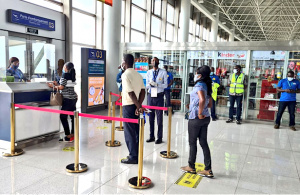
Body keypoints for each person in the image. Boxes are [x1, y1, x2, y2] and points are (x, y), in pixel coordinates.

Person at [181, 65, 214, 178]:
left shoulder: (199, 85)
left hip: (196, 118)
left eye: (196, 73)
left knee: (192, 142)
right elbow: (209, 103)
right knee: (203, 143)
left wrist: (199, 112)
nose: (195, 75)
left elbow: (202, 99)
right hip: (206, 118)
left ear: (200, 75)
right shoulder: (207, 86)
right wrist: (196, 106)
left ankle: (191, 166)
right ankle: (208, 169)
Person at [121, 54, 146, 164]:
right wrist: (139, 105)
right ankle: (137, 154)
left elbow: (130, 93)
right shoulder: (138, 75)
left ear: (124, 62)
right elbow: (143, 91)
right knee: (136, 131)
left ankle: (133, 157)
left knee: (129, 132)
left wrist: (138, 106)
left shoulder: (125, 75)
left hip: (128, 106)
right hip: (136, 105)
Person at [48, 62, 77, 142]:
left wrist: (53, 86)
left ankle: (68, 135)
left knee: (63, 117)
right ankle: (73, 134)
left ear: (66, 68)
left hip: (67, 99)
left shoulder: (64, 75)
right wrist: (57, 84)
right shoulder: (72, 76)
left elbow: (61, 87)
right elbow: (65, 86)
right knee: (72, 117)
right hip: (73, 98)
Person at [146, 57, 168, 144]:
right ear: (151, 63)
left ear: (158, 62)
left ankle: (159, 137)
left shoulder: (163, 72)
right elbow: (146, 84)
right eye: (152, 60)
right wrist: (150, 85)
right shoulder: (148, 72)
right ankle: (151, 136)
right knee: (151, 117)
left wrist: (157, 85)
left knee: (159, 118)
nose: (154, 62)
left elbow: (165, 85)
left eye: (155, 60)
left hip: (159, 96)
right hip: (150, 96)